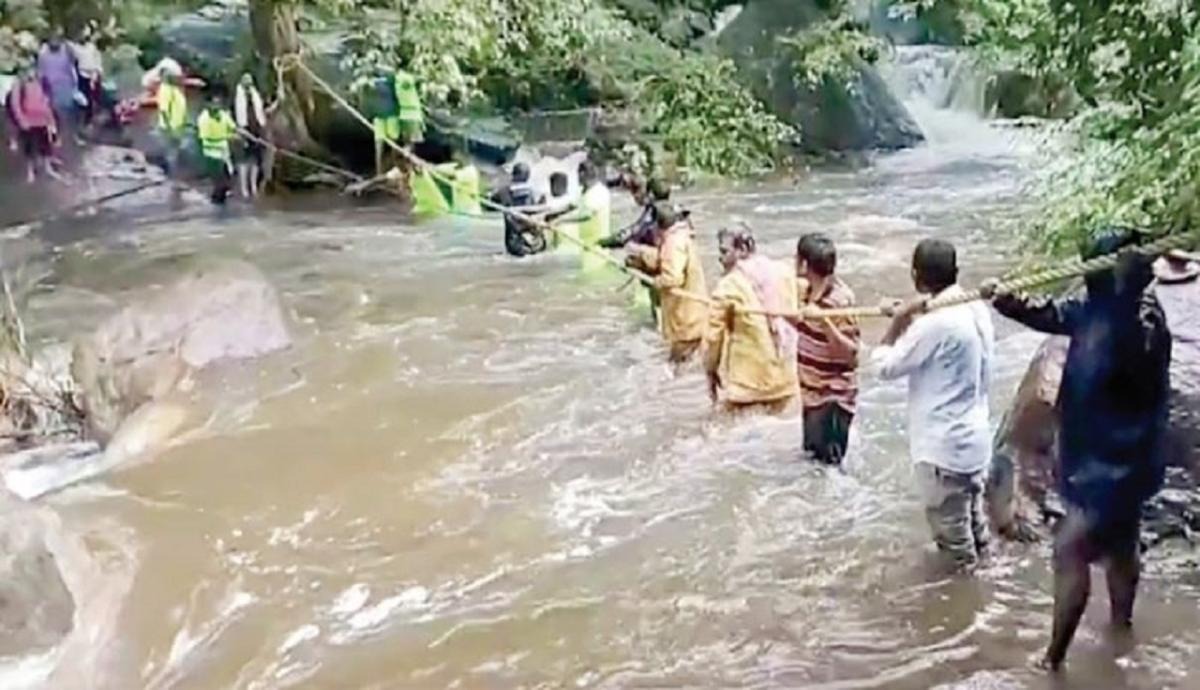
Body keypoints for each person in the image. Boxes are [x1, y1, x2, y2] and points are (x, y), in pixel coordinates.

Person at [982, 228, 1172, 671]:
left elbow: (1134, 355)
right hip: (1095, 457)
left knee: (1069, 551)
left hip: (1118, 463)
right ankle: (1120, 630)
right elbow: (1053, 312)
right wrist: (1006, 300)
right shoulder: (1096, 307)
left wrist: (1126, 294)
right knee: (1123, 544)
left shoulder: (1144, 321)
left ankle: (1052, 661)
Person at [872, 239, 995, 569]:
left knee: (956, 550)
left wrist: (896, 324)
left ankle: (972, 610)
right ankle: (994, 594)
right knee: (976, 530)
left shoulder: (936, 323)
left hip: (944, 449)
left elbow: (884, 367)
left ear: (916, 275)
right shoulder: (975, 307)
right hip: (975, 443)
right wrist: (912, 314)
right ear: (956, 272)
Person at [704, 225, 799, 413]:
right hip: (787, 380)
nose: (720, 258)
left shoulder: (728, 286)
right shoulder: (784, 272)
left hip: (749, 385)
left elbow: (712, 338)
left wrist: (710, 371)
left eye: (724, 251)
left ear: (742, 251)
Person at [794, 233, 861, 465]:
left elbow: (851, 356)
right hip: (812, 396)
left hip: (832, 400)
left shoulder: (839, 302)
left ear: (803, 264)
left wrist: (825, 322)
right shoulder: (806, 292)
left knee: (828, 471)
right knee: (811, 465)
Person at [627, 203, 708, 363]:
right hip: (694, 313)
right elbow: (666, 260)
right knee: (690, 362)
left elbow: (673, 277)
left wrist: (657, 281)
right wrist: (642, 256)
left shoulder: (673, 242)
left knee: (676, 364)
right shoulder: (681, 237)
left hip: (686, 317)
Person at [9, 68, 62, 183]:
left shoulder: (40, 82)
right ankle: (30, 171)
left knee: (46, 147)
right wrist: (22, 120)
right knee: (30, 148)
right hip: (28, 122)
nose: (32, 72)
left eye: (33, 70)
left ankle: (48, 168)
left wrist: (51, 121)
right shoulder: (19, 84)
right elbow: (15, 104)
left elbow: (46, 103)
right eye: (29, 70)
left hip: (42, 120)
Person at [370, 65, 424, 176]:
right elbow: (420, 79)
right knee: (408, 145)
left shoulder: (393, 80)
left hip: (402, 115)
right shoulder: (401, 79)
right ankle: (407, 170)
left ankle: (381, 172)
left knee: (390, 145)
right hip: (412, 114)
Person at [492, 163, 548, 257]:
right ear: (528, 176)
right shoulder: (538, 193)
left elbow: (490, 206)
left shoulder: (503, 192)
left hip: (514, 243)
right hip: (537, 242)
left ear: (513, 175)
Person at [599, 177, 672, 249]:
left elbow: (633, 232)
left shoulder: (654, 211)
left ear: (651, 194)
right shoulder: (670, 208)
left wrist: (606, 242)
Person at [196, 91, 238, 205]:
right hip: (212, 154)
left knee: (228, 179)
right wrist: (229, 137)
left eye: (218, 104)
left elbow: (233, 127)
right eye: (214, 104)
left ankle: (221, 200)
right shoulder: (204, 119)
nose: (216, 106)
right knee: (220, 181)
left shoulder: (223, 115)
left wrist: (239, 133)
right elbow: (205, 139)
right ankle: (215, 202)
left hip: (224, 153)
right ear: (208, 105)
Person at [37, 29, 79, 140]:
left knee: (64, 114)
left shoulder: (66, 51)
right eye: (52, 40)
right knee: (52, 114)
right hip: (49, 88)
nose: (54, 42)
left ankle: (64, 136)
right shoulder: (43, 54)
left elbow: (72, 67)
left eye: (56, 40)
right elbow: (40, 72)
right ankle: (54, 137)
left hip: (64, 87)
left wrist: (74, 86)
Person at [234, 72, 269, 198]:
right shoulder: (238, 95)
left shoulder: (255, 94)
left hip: (257, 128)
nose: (248, 82)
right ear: (241, 81)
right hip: (244, 128)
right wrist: (239, 130)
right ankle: (244, 188)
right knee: (244, 160)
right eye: (246, 80)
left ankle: (253, 186)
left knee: (255, 160)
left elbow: (260, 111)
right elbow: (235, 113)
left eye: (250, 80)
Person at [155, 69, 189, 177]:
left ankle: (173, 174)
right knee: (171, 153)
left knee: (175, 152)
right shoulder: (165, 90)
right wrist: (169, 128)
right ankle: (171, 176)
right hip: (170, 126)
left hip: (177, 125)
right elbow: (164, 110)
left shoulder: (174, 89)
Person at [71, 22, 104, 134]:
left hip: (93, 75)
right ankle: (81, 122)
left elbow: (97, 60)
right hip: (82, 75)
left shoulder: (92, 47)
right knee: (83, 99)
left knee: (92, 99)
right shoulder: (75, 48)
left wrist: (97, 73)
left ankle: (90, 121)